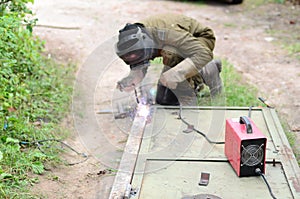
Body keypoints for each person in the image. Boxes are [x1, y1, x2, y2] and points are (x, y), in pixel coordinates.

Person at [115, 13, 222, 105]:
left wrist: (175, 74)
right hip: (177, 45)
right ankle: (205, 68)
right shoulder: (137, 38)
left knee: (171, 55)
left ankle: (205, 73)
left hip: (200, 40)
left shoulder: (167, 33)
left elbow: (203, 53)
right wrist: (133, 78)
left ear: (145, 43)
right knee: (163, 100)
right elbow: (140, 62)